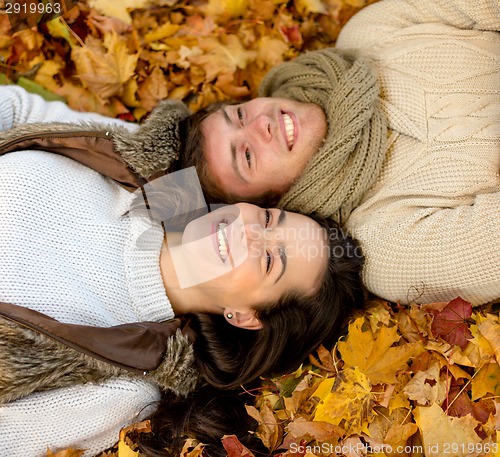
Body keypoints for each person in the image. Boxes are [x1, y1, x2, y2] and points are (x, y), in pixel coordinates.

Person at [0, 85, 365, 457]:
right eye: (269, 219)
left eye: (270, 259)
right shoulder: (153, 175)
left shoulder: (127, 376)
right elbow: (20, 110)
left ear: (243, 315)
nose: (248, 231)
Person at [184, 0, 500, 307]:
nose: (260, 124)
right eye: (248, 156)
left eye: (239, 116)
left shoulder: (367, 34)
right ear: (269, 201)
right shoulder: (386, 246)